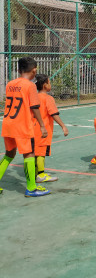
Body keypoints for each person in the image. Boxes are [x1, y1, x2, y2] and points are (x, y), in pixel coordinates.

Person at [0, 57, 50, 197]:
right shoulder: (30, 86)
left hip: (8, 123)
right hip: (21, 125)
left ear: (18, 70)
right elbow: (34, 106)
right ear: (34, 70)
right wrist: (42, 125)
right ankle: (31, 188)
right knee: (29, 154)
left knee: (9, 154)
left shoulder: (10, 84)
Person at [33, 74, 69, 183]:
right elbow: (54, 114)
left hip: (33, 128)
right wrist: (63, 126)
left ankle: (36, 172)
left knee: (35, 152)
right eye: (49, 82)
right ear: (45, 85)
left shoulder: (34, 97)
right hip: (42, 130)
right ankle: (41, 175)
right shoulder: (48, 98)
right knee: (41, 152)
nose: (50, 84)